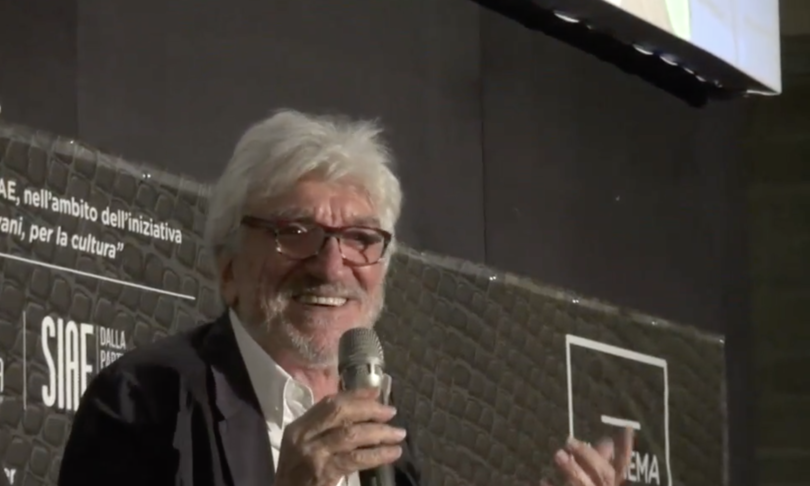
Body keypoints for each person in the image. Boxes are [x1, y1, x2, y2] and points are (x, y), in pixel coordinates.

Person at [58, 109, 633, 486]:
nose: (332, 265)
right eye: (295, 232)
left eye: (359, 238)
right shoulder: (144, 401)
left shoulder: (387, 429)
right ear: (228, 268)